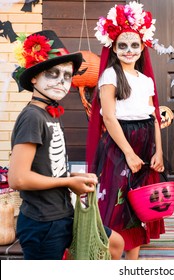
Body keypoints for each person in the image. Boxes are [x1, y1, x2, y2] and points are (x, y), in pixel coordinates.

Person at [8, 30, 124, 260]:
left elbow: (46, 167)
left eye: (67, 75)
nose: (62, 81)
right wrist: (69, 182)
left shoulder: (50, 114)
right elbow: (18, 178)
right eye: (53, 73)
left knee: (115, 244)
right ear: (34, 77)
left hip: (62, 214)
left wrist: (74, 177)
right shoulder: (33, 117)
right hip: (43, 223)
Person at [86, 2, 165, 260]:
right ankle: (109, 255)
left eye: (134, 45)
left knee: (137, 202)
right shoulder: (110, 75)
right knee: (116, 198)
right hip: (120, 142)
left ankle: (132, 262)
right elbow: (108, 117)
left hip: (145, 139)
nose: (129, 50)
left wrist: (159, 151)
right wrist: (129, 154)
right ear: (114, 47)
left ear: (143, 47)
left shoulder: (146, 80)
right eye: (122, 45)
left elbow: (154, 116)